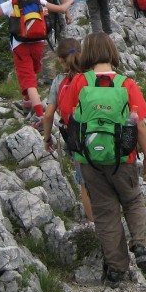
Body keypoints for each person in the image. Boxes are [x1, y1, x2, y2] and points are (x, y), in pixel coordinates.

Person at [58, 32, 146, 288]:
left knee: (105, 212)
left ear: (87, 54)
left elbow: (69, 118)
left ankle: (116, 269)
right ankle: (141, 246)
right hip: (123, 157)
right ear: (113, 53)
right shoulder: (127, 85)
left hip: (89, 159)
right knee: (133, 200)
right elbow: (140, 127)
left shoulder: (80, 82)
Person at [0, 0, 74, 130]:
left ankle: (39, 116)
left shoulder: (10, 4)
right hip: (38, 42)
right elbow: (62, 8)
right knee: (35, 71)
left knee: (28, 78)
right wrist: (70, 0)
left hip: (20, 45)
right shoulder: (38, 1)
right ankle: (27, 100)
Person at [42, 37, 93, 222]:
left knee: (85, 185)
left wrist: (47, 139)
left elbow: (48, 115)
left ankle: (95, 226)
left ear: (60, 60)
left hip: (77, 139)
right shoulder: (91, 76)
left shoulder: (58, 81)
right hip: (101, 134)